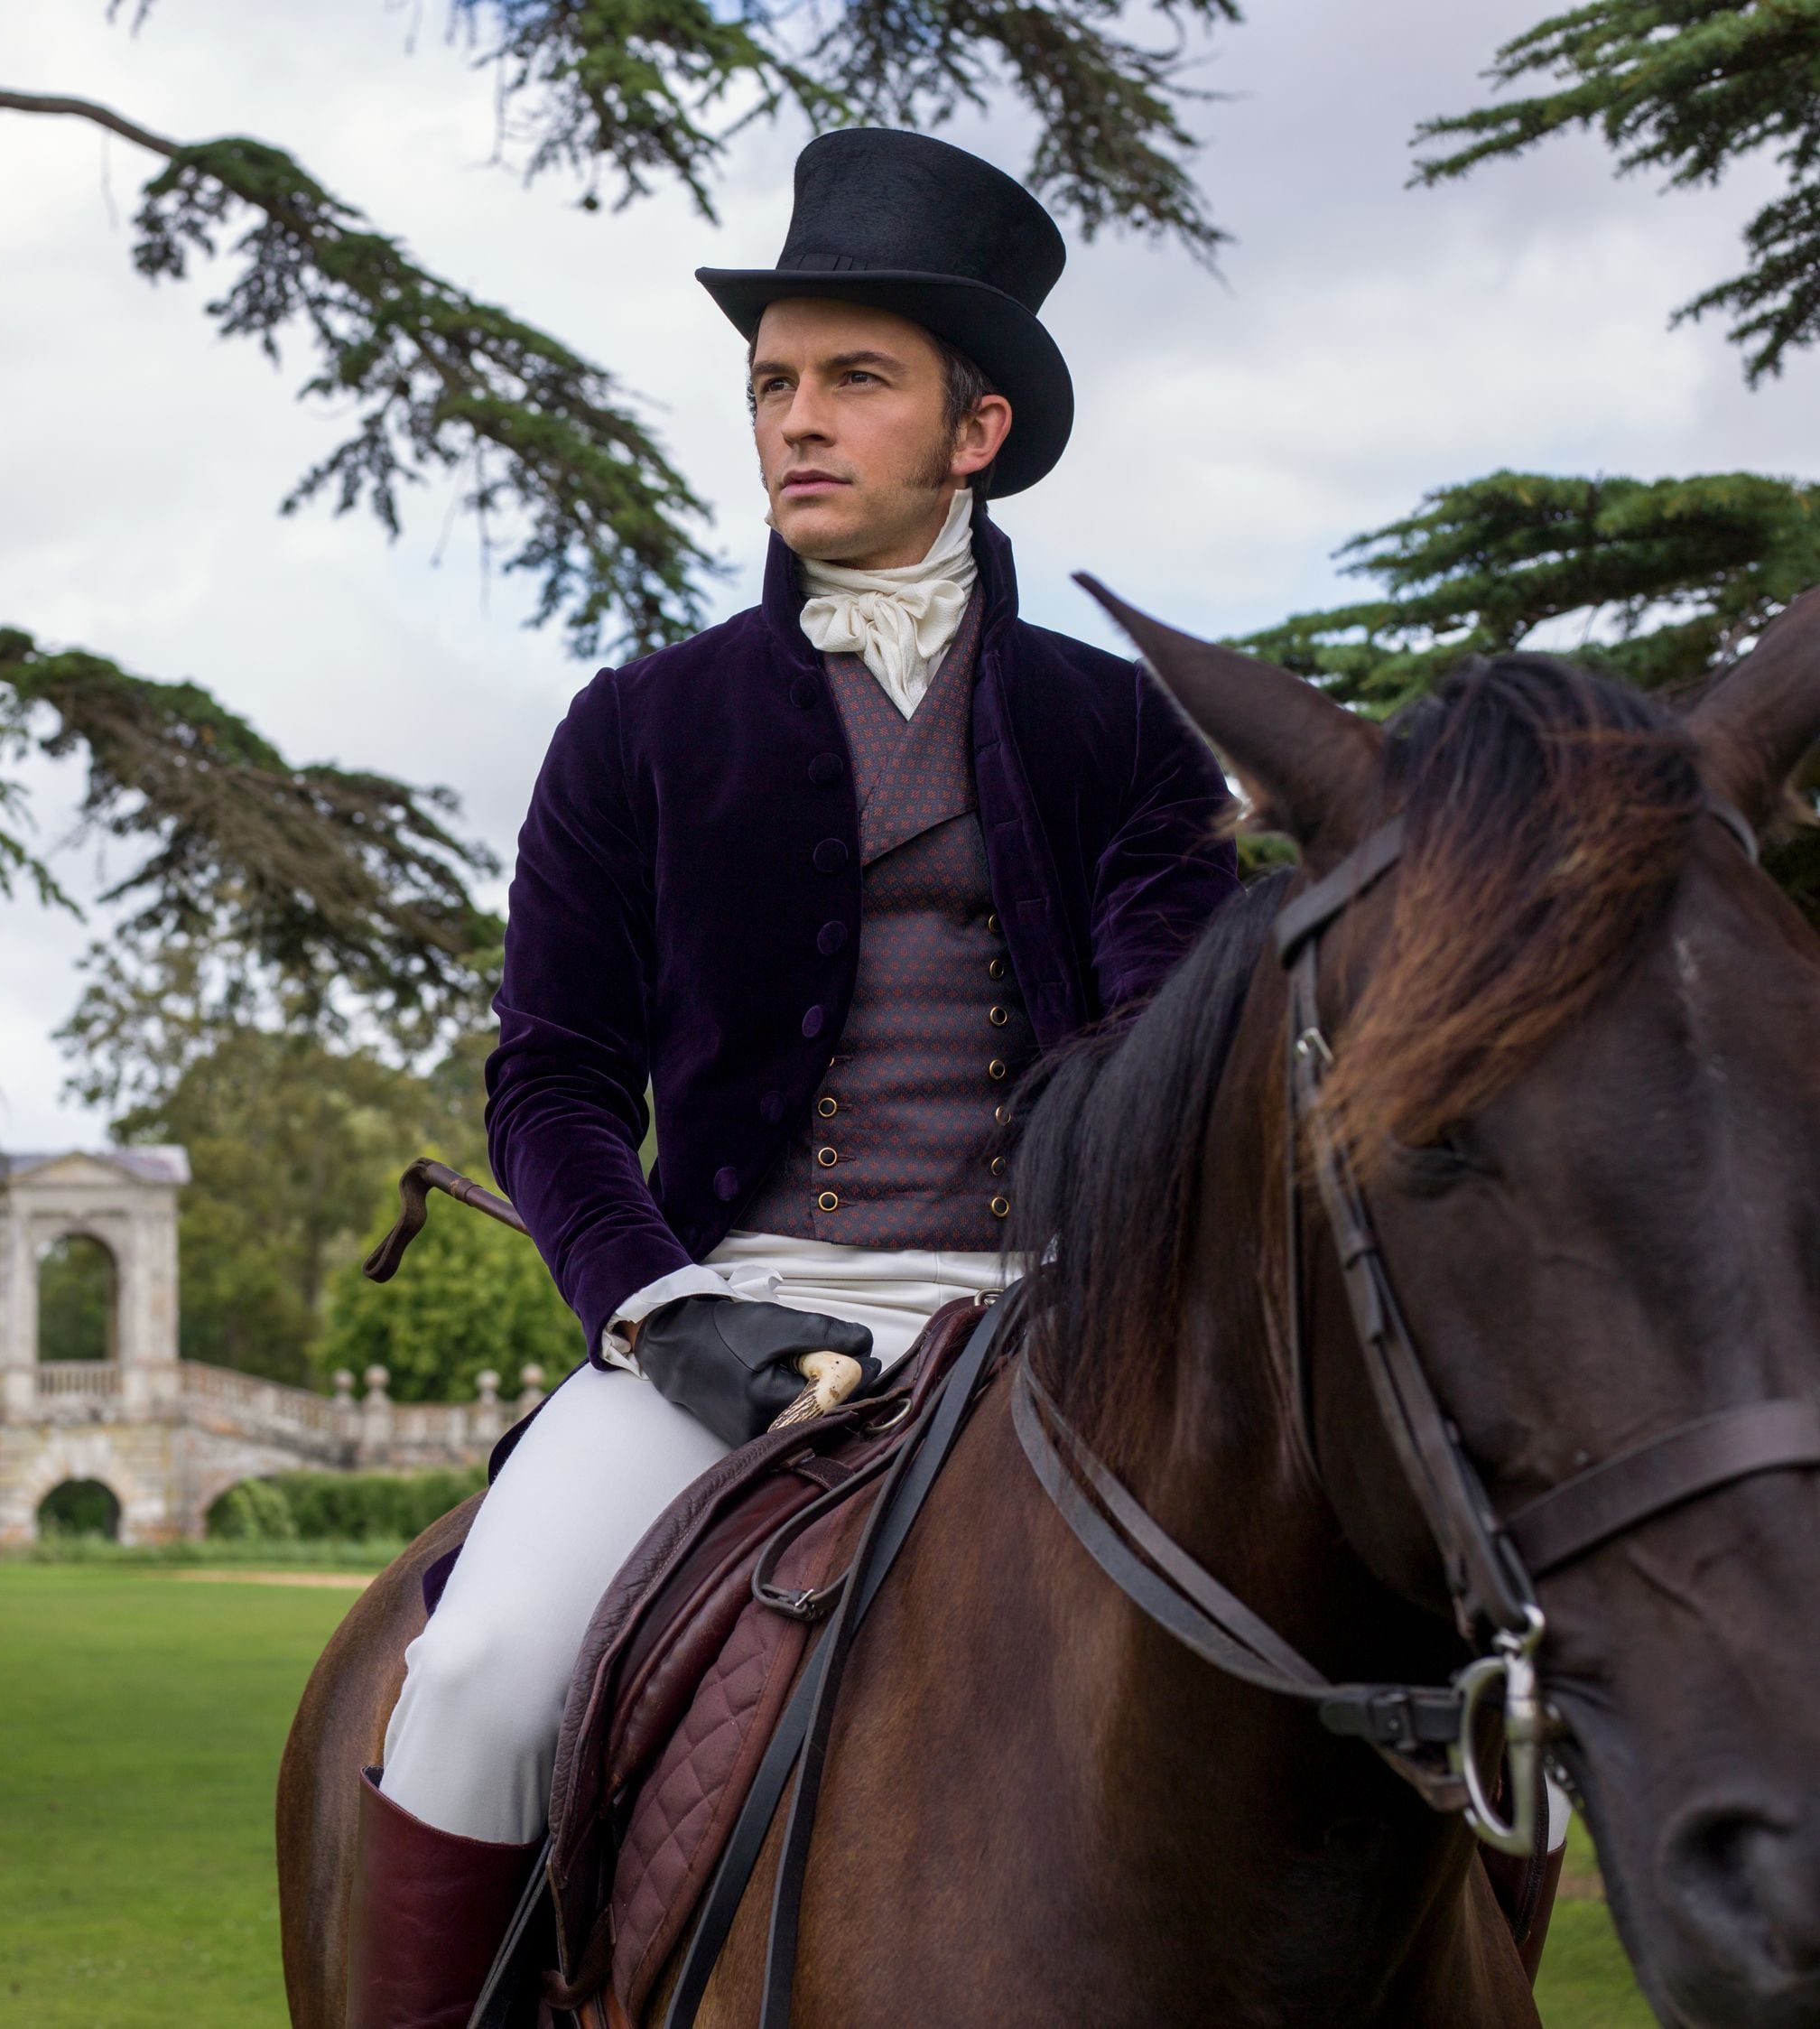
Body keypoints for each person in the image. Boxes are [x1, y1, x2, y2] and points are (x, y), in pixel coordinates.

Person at [344, 129, 1243, 2027]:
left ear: (974, 428)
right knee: (486, 1667)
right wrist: (668, 1306)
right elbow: (558, 1081)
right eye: (772, 381)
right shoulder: (635, 726)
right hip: (723, 1321)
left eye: (854, 379)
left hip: (1059, 1323)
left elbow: (1169, 1063)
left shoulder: (1124, 731)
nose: (796, 420)